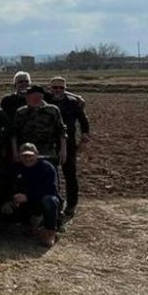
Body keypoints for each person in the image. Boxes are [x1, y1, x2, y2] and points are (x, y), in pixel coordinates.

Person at [48, 76, 90, 217]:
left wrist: (85, 134)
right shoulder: (45, 100)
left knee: (70, 175)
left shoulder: (72, 103)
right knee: (51, 175)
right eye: (55, 87)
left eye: (61, 88)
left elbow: (83, 121)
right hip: (49, 143)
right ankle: (55, 203)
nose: (58, 90)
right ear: (50, 89)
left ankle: (71, 205)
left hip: (69, 143)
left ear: (65, 89)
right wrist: (77, 96)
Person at [9, 142, 61, 247]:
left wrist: (28, 196)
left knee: (49, 200)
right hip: (24, 204)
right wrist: (9, 199)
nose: (27, 159)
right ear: (19, 156)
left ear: (37, 154)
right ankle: (28, 226)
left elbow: (51, 190)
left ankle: (50, 232)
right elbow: (8, 186)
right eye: (24, 156)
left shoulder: (47, 167)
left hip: (41, 201)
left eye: (30, 156)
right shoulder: (16, 168)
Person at [12, 85, 66, 166]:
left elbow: (62, 131)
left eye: (30, 97)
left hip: (48, 152)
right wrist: (15, 152)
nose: (27, 98)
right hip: (27, 152)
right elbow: (14, 133)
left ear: (40, 97)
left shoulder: (52, 110)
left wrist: (63, 150)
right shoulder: (21, 112)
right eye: (27, 97)